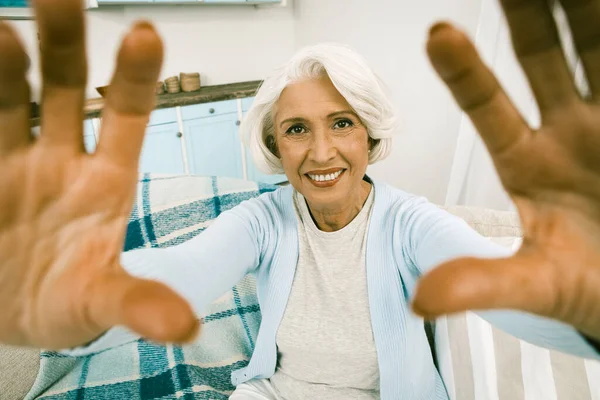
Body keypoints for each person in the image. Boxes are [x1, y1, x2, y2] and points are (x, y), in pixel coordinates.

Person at [0, 0, 599, 399]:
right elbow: (183, 273)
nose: (320, 153)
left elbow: (505, 287)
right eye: (296, 130)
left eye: (341, 123)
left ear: (370, 134)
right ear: (273, 145)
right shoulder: (264, 220)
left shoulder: (411, 223)